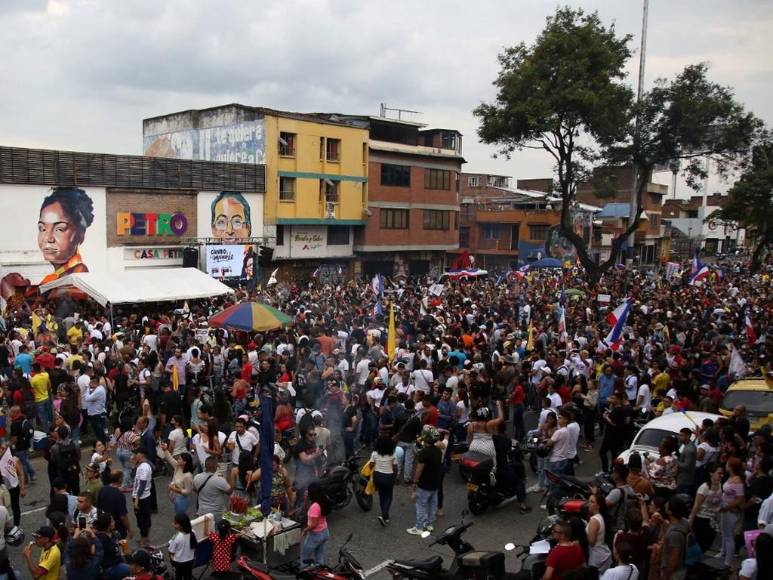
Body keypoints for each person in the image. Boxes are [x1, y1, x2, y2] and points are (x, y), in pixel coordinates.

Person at [407, 425, 443, 535]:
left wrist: (414, 482)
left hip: (424, 484)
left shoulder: (424, 453)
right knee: (433, 504)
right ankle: (430, 524)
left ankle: (418, 527)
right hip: (435, 482)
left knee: (421, 505)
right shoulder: (438, 451)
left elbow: (419, 470)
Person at [688, 464, 723, 553]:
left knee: (708, 543)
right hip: (702, 519)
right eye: (719, 473)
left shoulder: (719, 485)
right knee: (700, 544)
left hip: (713, 520)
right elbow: (697, 505)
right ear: (711, 473)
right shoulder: (704, 488)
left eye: (722, 474)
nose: (721, 476)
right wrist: (690, 521)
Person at [719, 457, 746, 567]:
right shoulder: (731, 478)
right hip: (724, 507)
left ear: (731, 467)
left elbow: (740, 499)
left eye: (727, 464)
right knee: (724, 532)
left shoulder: (737, 480)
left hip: (730, 510)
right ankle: (723, 552)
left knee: (729, 535)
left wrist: (728, 507)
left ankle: (728, 560)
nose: (725, 465)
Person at [300, 481, 331, 567]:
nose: (307, 492)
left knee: (304, 556)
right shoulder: (323, 499)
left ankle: (302, 572)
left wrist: (305, 530)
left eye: (308, 491)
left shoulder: (315, 507)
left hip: (316, 535)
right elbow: (306, 508)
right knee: (319, 554)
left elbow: (314, 525)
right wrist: (306, 499)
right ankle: (321, 571)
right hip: (325, 532)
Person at [370, 434, 398, 526]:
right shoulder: (393, 454)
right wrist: (394, 478)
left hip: (377, 476)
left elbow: (371, 465)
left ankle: (384, 514)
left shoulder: (374, 453)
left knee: (381, 495)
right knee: (388, 496)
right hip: (388, 477)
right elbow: (395, 468)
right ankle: (384, 514)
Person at [93, 511, 130, 580]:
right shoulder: (102, 538)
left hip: (117, 562)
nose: (114, 522)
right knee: (132, 570)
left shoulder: (112, 533)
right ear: (108, 525)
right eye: (112, 521)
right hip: (109, 567)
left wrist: (118, 543)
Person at [660, 496, 690, 580]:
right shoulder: (685, 521)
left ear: (670, 511)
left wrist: (666, 575)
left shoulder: (674, 534)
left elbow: (674, 558)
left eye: (668, 504)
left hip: (674, 573)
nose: (665, 504)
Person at [193, 456, 232, 522]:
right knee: (216, 531)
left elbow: (194, 489)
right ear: (215, 466)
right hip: (217, 513)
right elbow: (229, 491)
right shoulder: (219, 479)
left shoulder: (197, 477)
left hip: (202, 511)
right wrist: (224, 478)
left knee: (204, 530)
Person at [97, 470, 132, 540]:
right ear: (120, 479)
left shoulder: (103, 489)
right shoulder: (119, 495)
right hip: (118, 527)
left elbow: (98, 508)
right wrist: (129, 530)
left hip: (105, 524)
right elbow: (123, 516)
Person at [160, 444, 195, 515]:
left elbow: (188, 491)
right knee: (178, 513)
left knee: (180, 516)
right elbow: (171, 459)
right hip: (176, 496)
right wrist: (165, 450)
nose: (177, 460)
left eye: (179, 459)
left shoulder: (188, 476)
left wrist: (174, 489)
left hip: (182, 499)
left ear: (184, 462)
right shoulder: (178, 467)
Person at [132, 446, 154, 547]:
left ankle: (144, 539)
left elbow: (142, 484)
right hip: (142, 496)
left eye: (137, 453)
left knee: (143, 520)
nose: (135, 455)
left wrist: (136, 499)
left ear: (142, 454)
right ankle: (144, 538)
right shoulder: (142, 465)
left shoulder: (144, 467)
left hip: (142, 498)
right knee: (143, 519)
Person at [587, 492, 613, 572]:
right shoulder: (601, 517)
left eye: (592, 502)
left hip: (596, 556)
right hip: (603, 552)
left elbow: (591, 542)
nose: (589, 504)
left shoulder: (594, 520)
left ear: (598, 506)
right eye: (589, 501)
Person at [168, 513, 198, 580]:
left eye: (175, 523)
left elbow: (171, 550)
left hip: (179, 563)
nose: (172, 524)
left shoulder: (177, 537)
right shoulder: (193, 532)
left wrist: (172, 557)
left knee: (178, 574)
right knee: (188, 575)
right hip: (190, 561)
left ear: (181, 526)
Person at [675, 427, 697, 495]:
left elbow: (687, 466)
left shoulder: (689, 449)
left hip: (684, 480)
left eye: (681, 435)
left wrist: (675, 461)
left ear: (688, 436)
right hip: (682, 479)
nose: (679, 437)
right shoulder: (686, 446)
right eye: (679, 435)